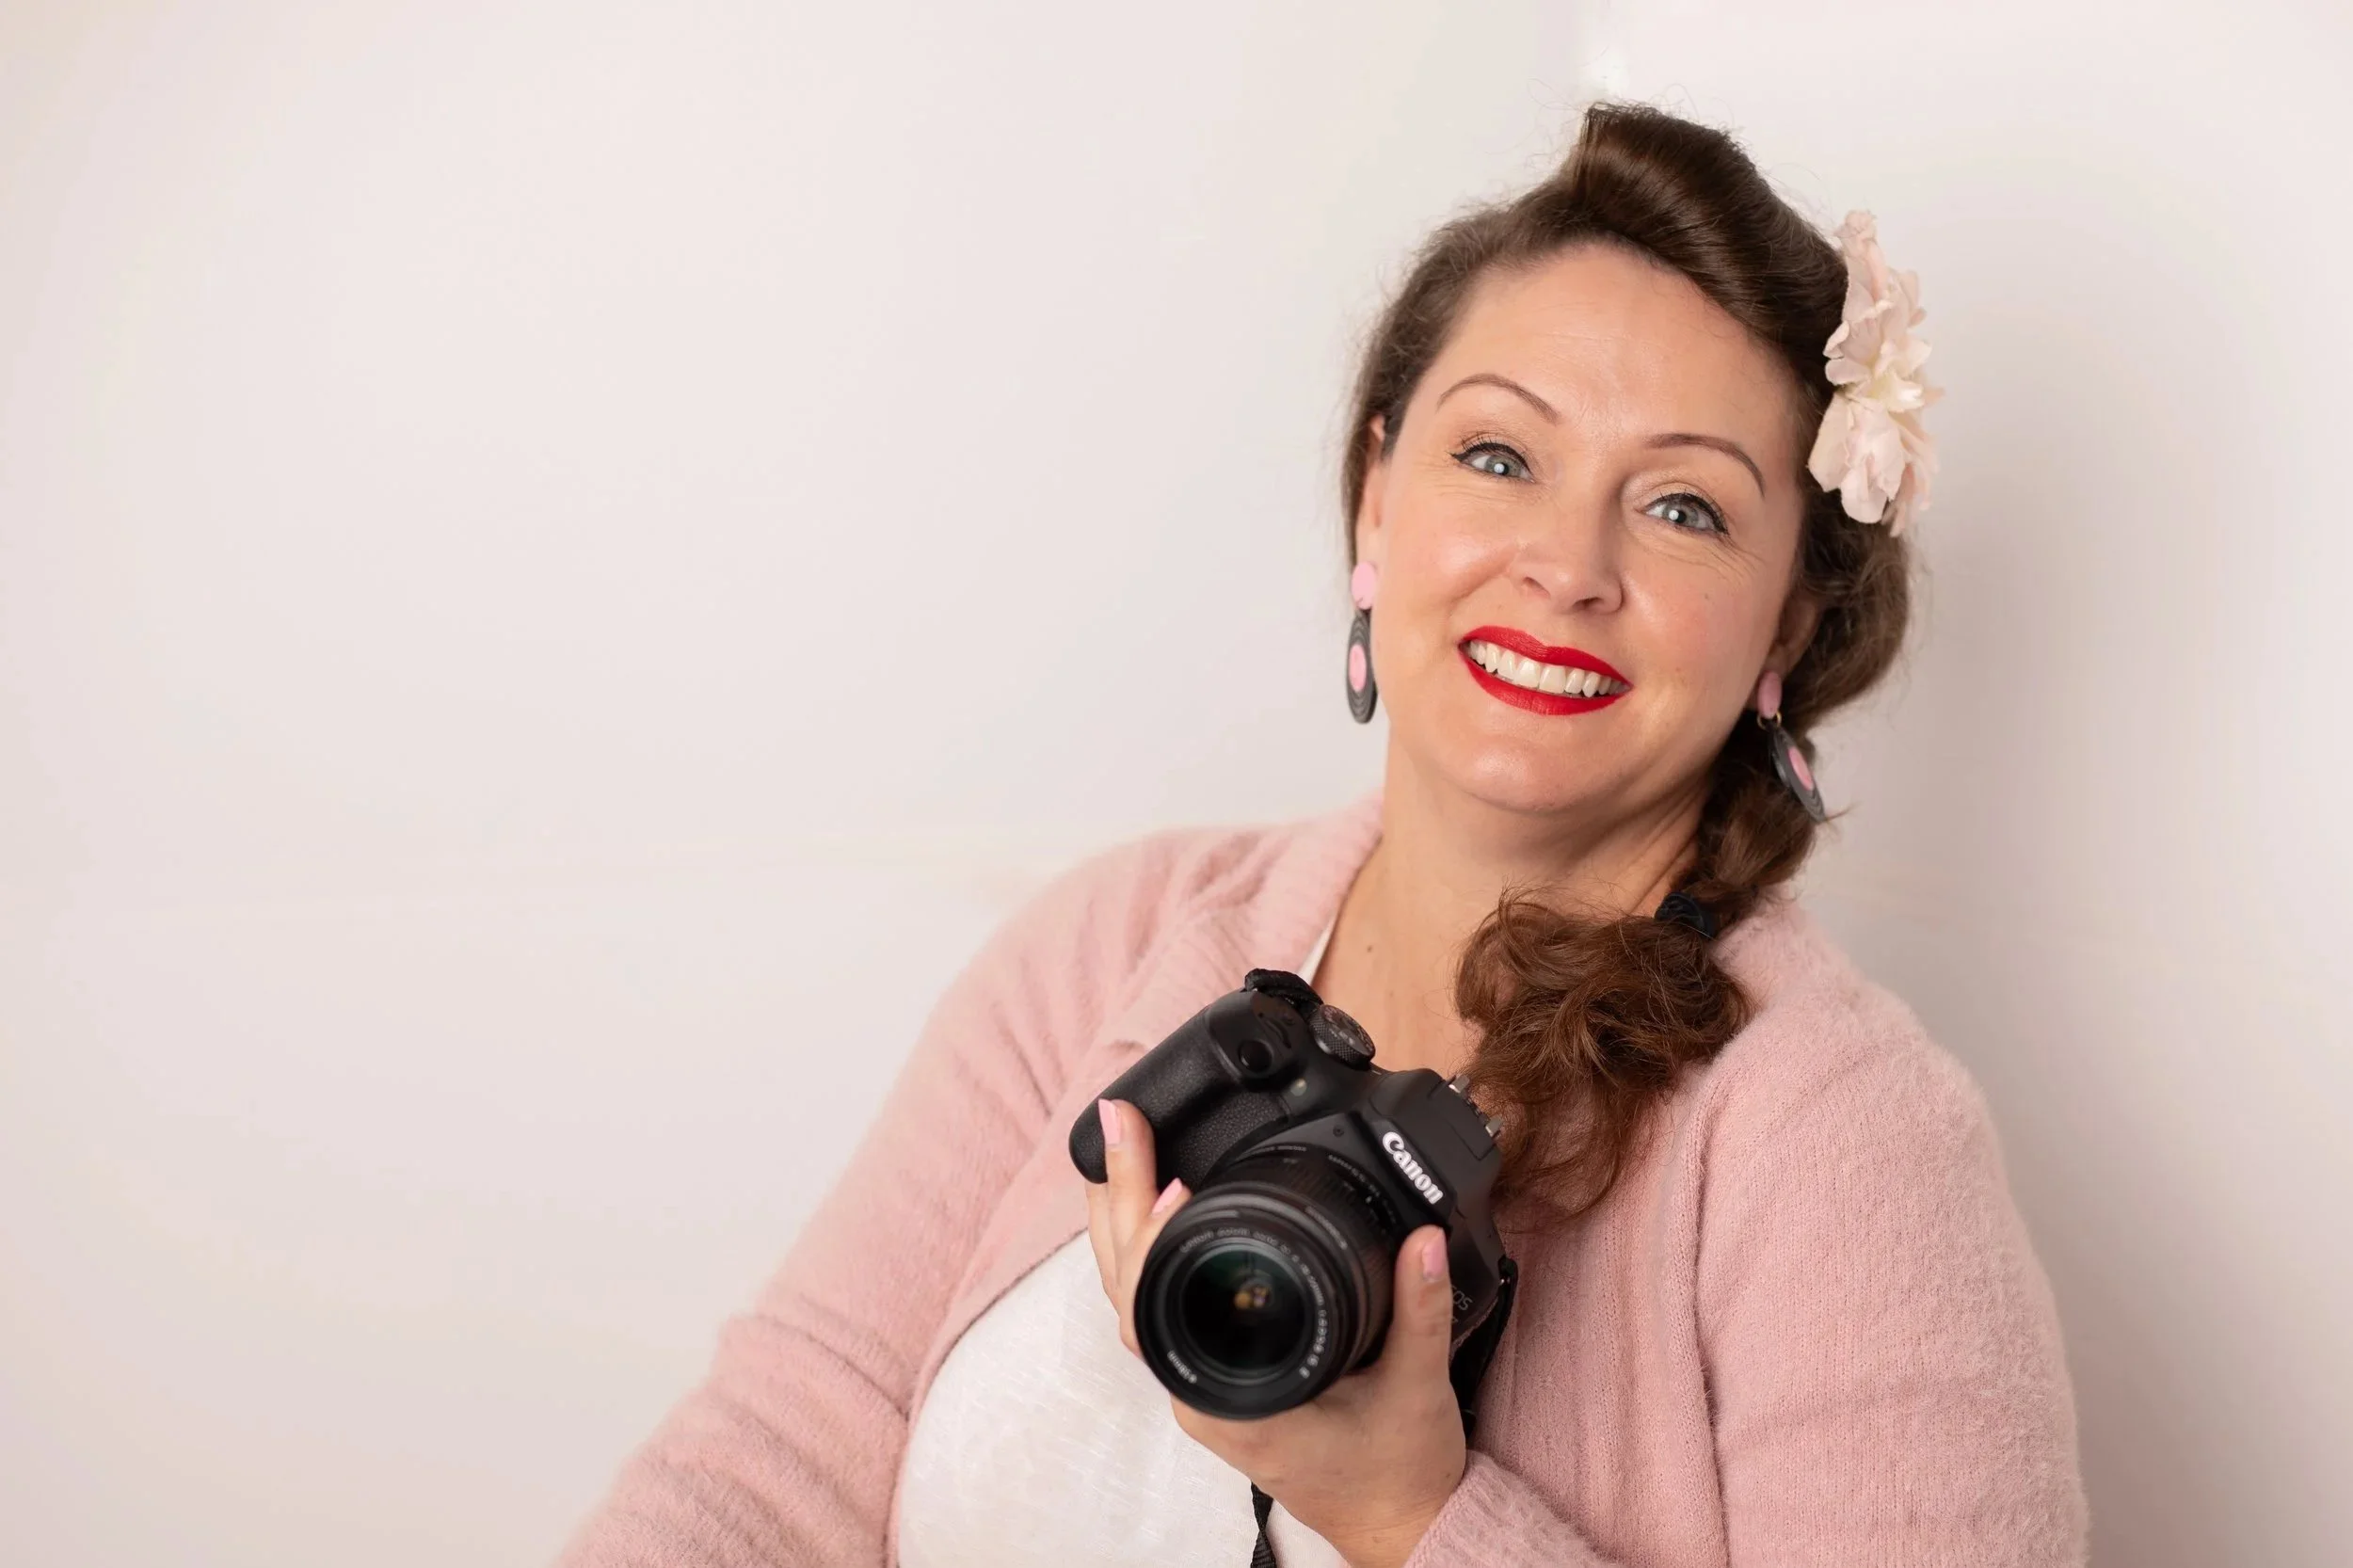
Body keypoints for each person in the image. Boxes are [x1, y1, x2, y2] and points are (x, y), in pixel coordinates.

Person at [556, 103, 2087, 1568]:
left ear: (1790, 623)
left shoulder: (1839, 1141)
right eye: (1500, 456)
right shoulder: (1116, 945)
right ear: (1375, 500)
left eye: (1682, 507)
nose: (1565, 564)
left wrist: (1418, 1516)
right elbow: (776, 1456)